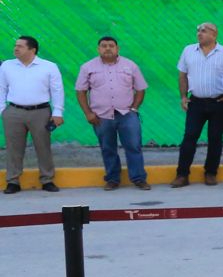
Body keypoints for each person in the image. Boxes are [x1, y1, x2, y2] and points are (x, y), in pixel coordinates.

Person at [75, 36, 150, 191]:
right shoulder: (87, 67)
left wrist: (134, 109)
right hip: (101, 116)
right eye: (103, 46)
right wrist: (88, 113)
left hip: (127, 115)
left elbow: (141, 88)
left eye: (111, 45)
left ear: (117, 49)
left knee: (133, 146)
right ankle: (112, 179)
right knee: (108, 148)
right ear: (98, 49)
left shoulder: (130, 65)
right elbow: (81, 91)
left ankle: (139, 178)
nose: (107, 48)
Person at [172, 21, 223, 186]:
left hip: (219, 102)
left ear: (214, 34)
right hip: (196, 102)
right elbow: (182, 75)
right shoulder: (188, 51)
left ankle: (211, 173)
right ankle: (182, 174)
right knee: (189, 137)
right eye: (198, 30)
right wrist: (183, 97)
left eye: (204, 31)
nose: (199, 33)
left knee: (215, 138)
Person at [1, 35, 65, 193]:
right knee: (13, 148)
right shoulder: (7, 66)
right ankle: (13, 181)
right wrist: (3, 110)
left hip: (41, 112)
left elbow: (57, 90)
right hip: (14, 112)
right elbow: (1, 88)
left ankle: (47, 179)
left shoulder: (49, 66)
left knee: (43, 147)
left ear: (32, 49)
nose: (16, 48)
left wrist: (58, 112)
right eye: (15, 45)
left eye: (20, 46)